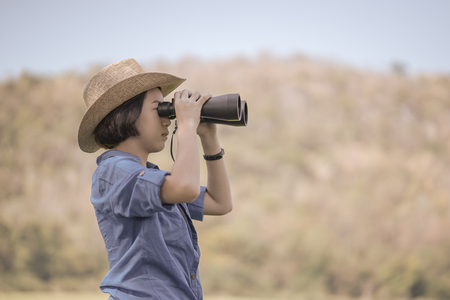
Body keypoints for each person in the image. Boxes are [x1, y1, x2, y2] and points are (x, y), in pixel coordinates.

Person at [78, 58, 232, 300]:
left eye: (168, 110)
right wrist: (187, 126)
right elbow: (185, 187)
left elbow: (220, 203)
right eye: (159, 109)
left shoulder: (155, 178)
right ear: (126, 114)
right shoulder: (113, 171)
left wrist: (209, 138)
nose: (167, 119)